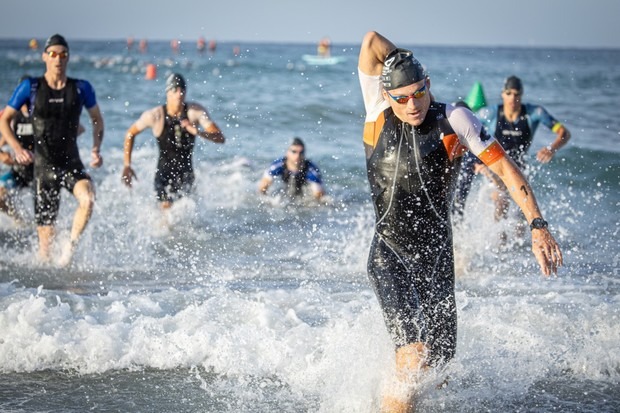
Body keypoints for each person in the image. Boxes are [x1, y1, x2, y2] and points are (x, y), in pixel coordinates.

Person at [358, 31, 563, 412]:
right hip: (391, 255)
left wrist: (537, 226)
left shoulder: (454, 118)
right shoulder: (376, 113)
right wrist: (400, 62)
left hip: (437, 259)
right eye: (401, 97)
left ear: (428, 85)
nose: (412, 103)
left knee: (439, 369)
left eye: (419, 92)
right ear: (387, 95)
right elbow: (371, 41)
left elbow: (504, 168)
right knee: (414, 354)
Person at [0, 34, 104, 264]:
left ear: (68, 58)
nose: (58, 59)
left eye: (63, 54)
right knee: (45, 254)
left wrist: (96, 149)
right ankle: (50, 295)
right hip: (43, 169)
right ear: (44, 57)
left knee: (88, 199)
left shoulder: (80, 88)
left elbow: (97, 120)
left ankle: (70, 247)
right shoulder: (31, 87)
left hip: (71, 163)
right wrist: (16, 148)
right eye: (53, 54)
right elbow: (4, 120)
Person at [453, 75, 572, 220]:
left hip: (518, 166)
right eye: (508, 94)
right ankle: (477, 226)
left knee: (522, 216)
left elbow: (564, 133)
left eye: (516, 94)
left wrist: (551, 148)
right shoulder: (490, 113)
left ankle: (519, 241)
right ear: (502, 94)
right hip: (495, 165)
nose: (512, 98)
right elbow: (465, 126)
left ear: (521, 95)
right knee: (501, 200)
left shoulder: (534, 113)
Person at [122, 73, 225, 210]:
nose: (179, 93)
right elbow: (130, 133)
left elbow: (220, 138)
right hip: (163, 174)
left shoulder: (195, 112)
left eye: (182, 89)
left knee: (188, 214)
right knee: (166, 212)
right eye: (175, 89)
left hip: (187, 174)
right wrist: (127, 165)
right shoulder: (155, 115)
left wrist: (198, 132)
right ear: (167, 92)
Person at [0, 75, 86, 224]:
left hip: (43, 170)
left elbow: (80, 129)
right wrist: (4, 156)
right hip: (20, 171)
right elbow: (2, 142)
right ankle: (21, 221)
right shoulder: (14, 118)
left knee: (46, 213)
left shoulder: (44, 113)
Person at [258, 137, 325, 201]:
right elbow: (264, 185)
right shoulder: (279, 165)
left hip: (304, 190)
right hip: (285, 187)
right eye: (294, 151)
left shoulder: (311, 170)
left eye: (301, 152)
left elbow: (318, 195)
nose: (297, 156)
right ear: (287, 152)